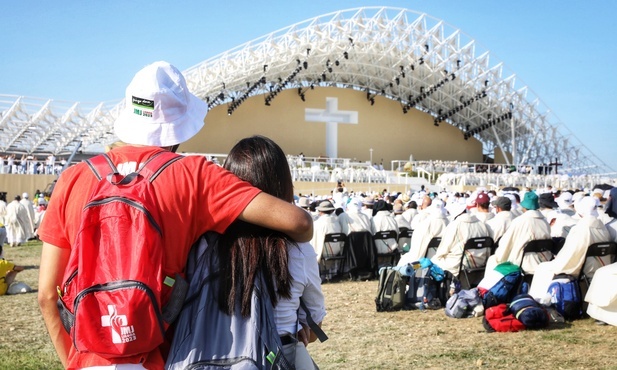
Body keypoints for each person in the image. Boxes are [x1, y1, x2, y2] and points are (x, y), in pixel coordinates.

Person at [37, 61, 313, 370]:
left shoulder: (73, 178)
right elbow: (299, 223)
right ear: (178, 126)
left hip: (87, 357)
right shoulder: (193, 175)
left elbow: (48, 295)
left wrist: (72, 362)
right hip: (160, 356)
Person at [212, 135, 325, 368]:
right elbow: (313, 328)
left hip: (217, 355)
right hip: (278, 356)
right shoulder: (299, 250)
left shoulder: (206, 245)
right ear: (284, 184)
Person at [529, 197, 611, 301]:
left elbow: (572, 254)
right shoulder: (603, 228)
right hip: (599, 266)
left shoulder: (582, 229)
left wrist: (557, 261)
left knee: (543, 268)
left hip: (585, 267)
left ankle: (538, 300)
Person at [485, 191, 552, 273]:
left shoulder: (520, 221)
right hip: (543, 261)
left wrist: (500, 257)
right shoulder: (545, 222)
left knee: (492, 260)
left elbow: (506, 243)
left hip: (524, 263)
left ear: (524, 206)